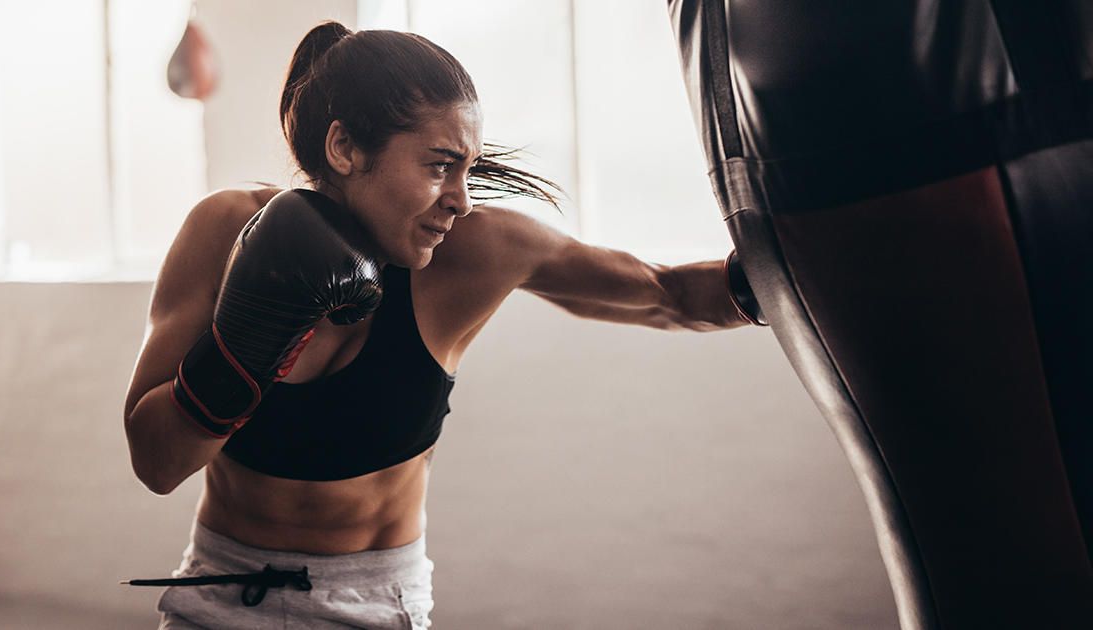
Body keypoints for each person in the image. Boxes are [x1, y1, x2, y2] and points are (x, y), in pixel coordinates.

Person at [123, 20, 763, 630]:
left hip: (373, 605)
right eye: (438, 165)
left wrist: (796, 262)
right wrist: (248, 343)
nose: (461, 199)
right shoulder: (224, 229)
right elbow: (157, 464)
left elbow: (668, 294)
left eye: (468, 169)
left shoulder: (479, 251)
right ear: (344, 147)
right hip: (221, 596)